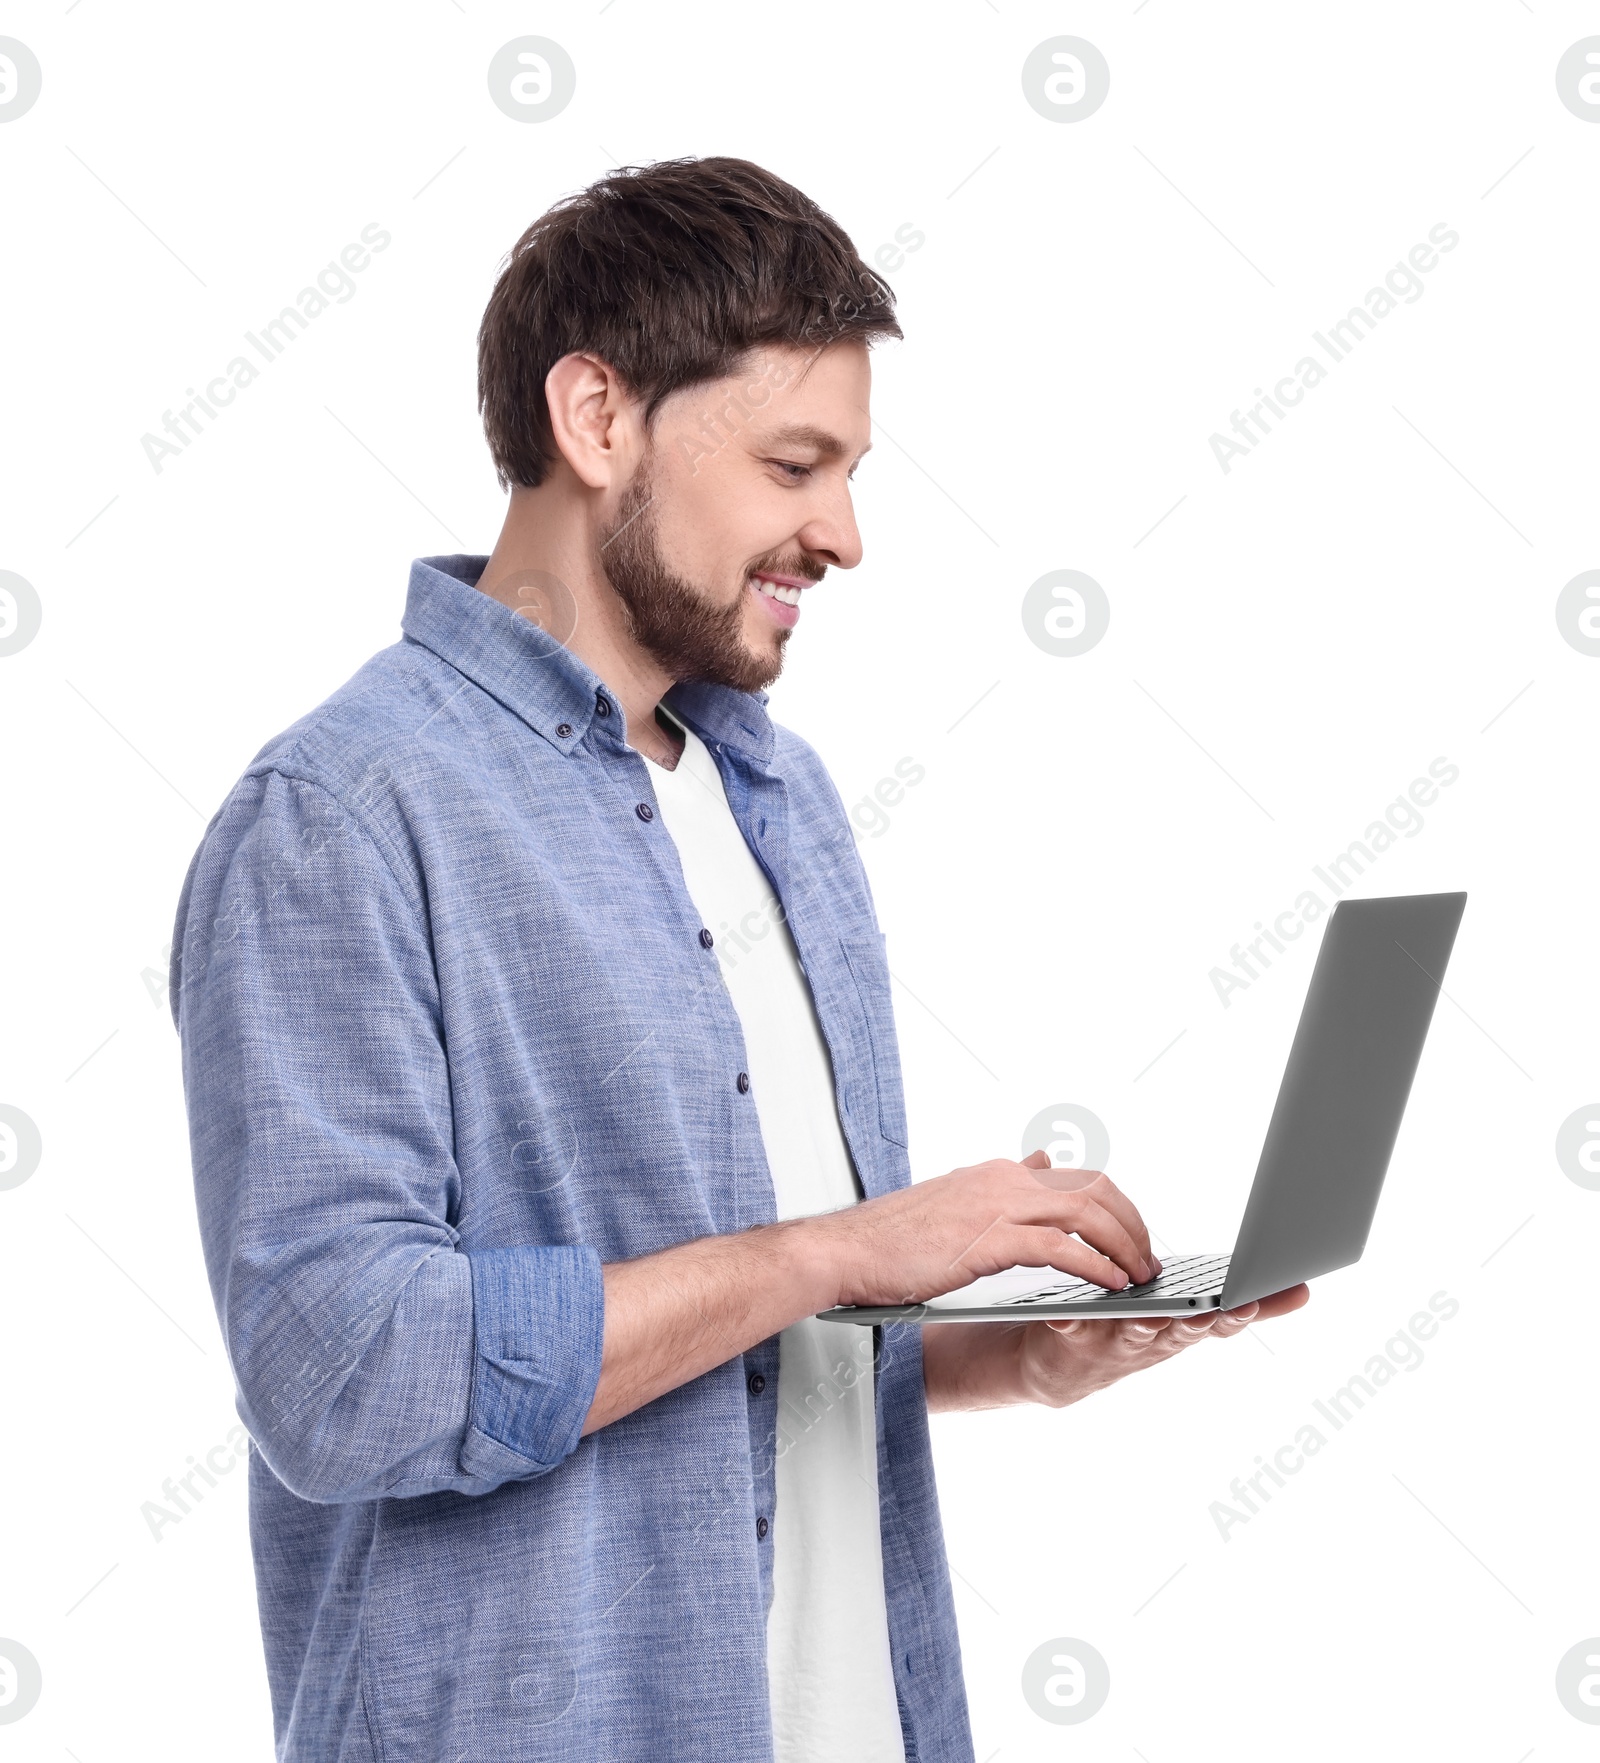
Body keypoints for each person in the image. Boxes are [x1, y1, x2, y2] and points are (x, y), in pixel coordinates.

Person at [172, 155, 1306, 1763]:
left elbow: (747, 1362)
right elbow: (345, 1375)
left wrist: (1017, 1357)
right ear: (599, 418)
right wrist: (838, 1250)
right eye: (796, 462)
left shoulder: (780, 797)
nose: (843, 533)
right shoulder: (342, 819)